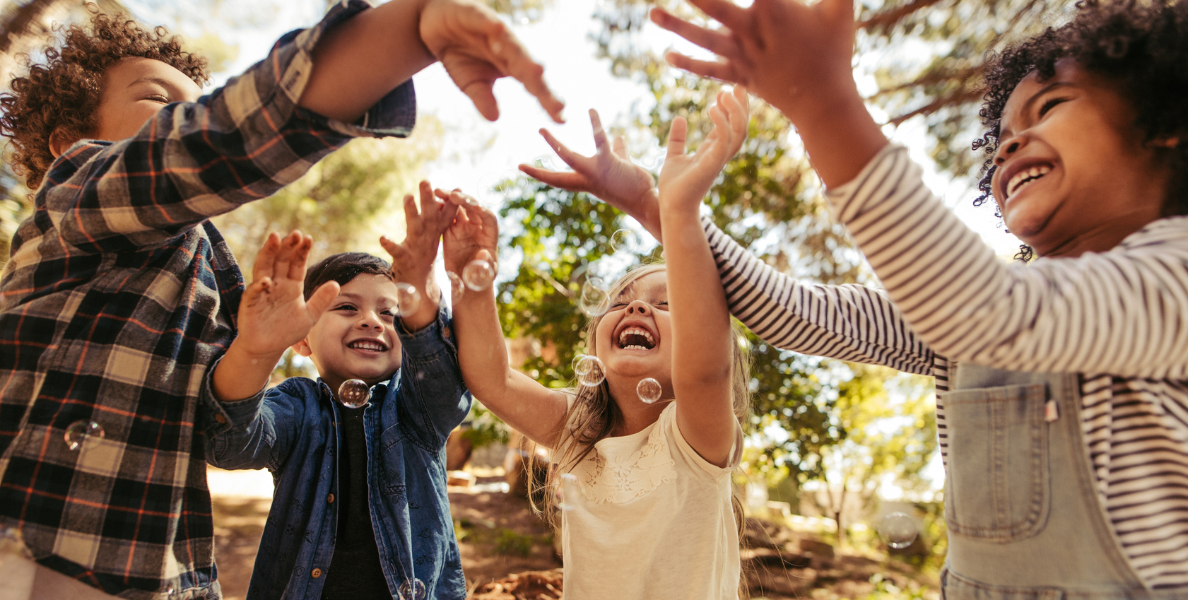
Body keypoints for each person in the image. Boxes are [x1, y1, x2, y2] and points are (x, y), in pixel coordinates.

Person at [523, 0, 1188, 596]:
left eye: (1050, 107)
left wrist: (823, 105)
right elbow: (795, 311)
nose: (1010, 144)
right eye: (999, 140)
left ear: (1164, 123)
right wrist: (663, 208)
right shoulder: (964, 310)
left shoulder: (1185, 273)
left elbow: (990, 309)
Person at [0, 0, 562, 597]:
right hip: (36, 542)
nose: (187, 117)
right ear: (69, 142)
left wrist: (262, 345)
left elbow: (220, 415)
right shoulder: (76, 195)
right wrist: (404, 32)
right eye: (163, 102)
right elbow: (209, 147)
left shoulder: (210, 266)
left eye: (195, 104)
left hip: (149, 568)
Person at [442, 87, 752, 600]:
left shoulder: (697, 436)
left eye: (667, 303)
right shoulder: (577, 431)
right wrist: (473, 278)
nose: (636, 307)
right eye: (622, 300)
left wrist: (668, 209)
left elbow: (705, 367)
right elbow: (492, 380)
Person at [204, 181, 470, 600]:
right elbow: (232, 442)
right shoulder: (295, 406)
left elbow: (445, 386)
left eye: (390, 312)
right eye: (347, 307)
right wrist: (256, 350)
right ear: (301, 338)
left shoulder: (415, 408)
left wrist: (419, 293)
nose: (372, 321)